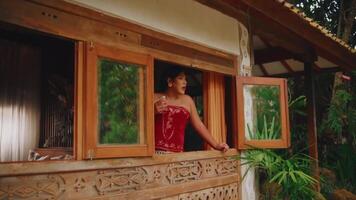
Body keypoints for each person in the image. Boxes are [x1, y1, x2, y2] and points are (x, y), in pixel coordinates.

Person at [154, 67, 229, 154]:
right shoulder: (154, 98)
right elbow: (139, 123)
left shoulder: (188, 100)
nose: (185, 82)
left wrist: (216, 145)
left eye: (185, 79)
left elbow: (199, 125)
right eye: (180, 78)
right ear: (170, 81)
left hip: (177, 155)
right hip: (156, 154)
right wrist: (153, 111)